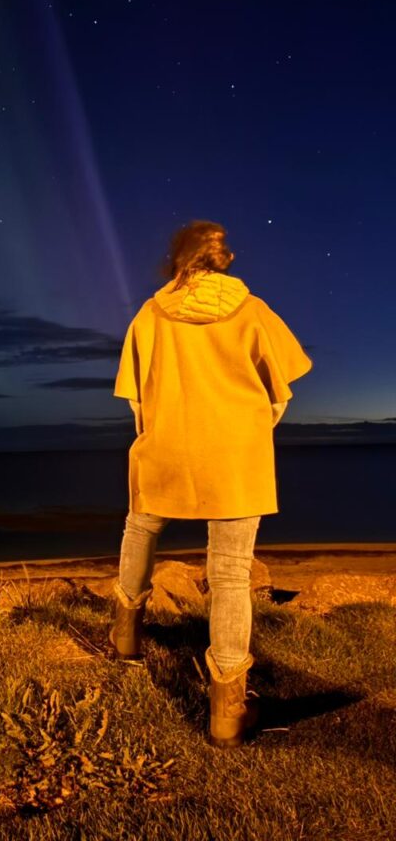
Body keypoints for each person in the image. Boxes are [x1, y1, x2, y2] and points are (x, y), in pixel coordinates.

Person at [108, 220, 313, 748]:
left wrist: (167, 426)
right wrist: (244, 428)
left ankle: (126, 633)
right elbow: (280, 395)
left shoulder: (151, 315)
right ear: (224, 260)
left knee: (141, 525)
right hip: (236, 456)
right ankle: (227, 710)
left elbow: (136, 400)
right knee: (229, 574)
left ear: (176, 260)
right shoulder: (253, 311)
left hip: (168, 449)